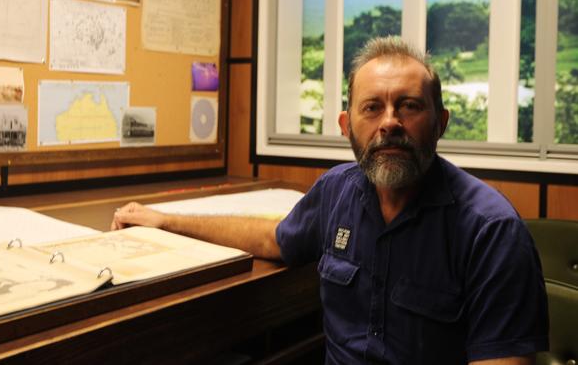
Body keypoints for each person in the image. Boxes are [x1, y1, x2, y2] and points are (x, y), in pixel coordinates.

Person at [111, 36, 548, 364]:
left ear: (441, 122)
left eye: (410, 106)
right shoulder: (336, 191)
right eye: (372, 107)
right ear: (346, 125)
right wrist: (165, 220)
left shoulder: (492, 231)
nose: (390, 123)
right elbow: (271, 238)